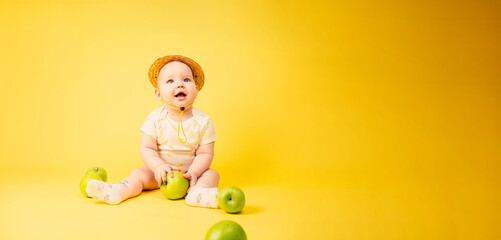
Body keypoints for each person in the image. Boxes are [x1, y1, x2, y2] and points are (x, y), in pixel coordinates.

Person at [86, 55, 220, 208]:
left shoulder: (204, 121)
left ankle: (197, 193)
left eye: (186, 80)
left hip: (190, 174)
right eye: (170, 81)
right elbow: (147, 148)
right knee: (138, 174)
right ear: (158, 94)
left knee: (212, 174)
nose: (180, 85)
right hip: (157, 173)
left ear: (196, 90)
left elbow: (205, 153)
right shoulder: (155, 118)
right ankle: (119, 190)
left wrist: (195, 172)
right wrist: (158, 167)